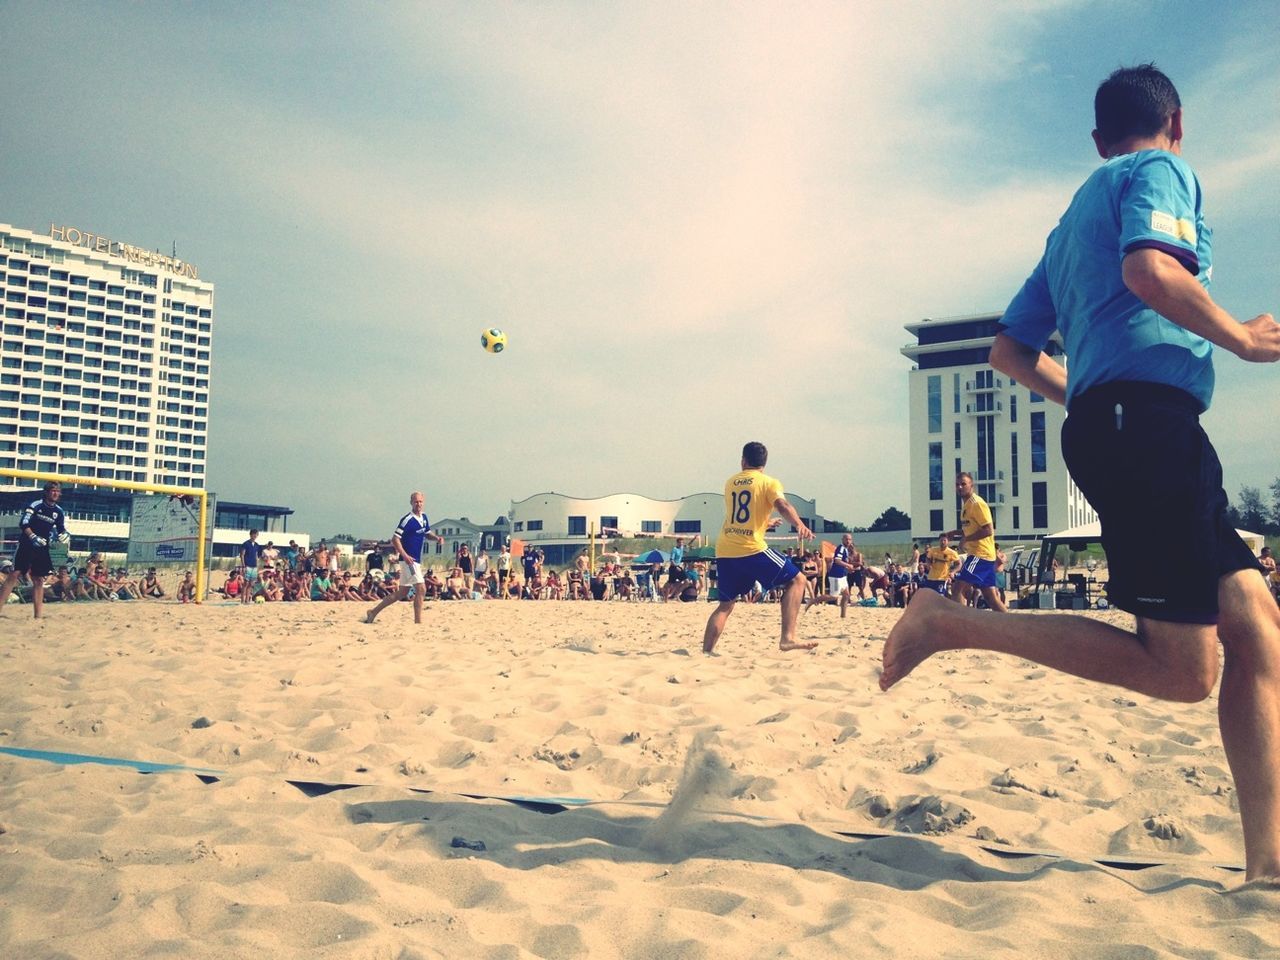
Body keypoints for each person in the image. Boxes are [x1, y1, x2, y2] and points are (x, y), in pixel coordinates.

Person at [882, 65, 1280, 881]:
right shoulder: (1157, 170)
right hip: (1147, 426)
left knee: (1257, 628)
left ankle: (1269, 863)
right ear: (1179, 122)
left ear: (1097, 139)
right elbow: (1149, 271)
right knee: (1183, 671)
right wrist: (1239, 337)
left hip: (1138, 423)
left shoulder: (1069, 226)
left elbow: (1007, 353)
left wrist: (1090, 396)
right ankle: (948, 621)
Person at [703, 442, 819, 654]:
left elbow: (740, 517)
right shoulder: (769, 482)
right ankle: (788, 638)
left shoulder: (731, 483)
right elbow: (783, 506)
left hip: (726, 550)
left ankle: (706, 652)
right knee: (798, 580)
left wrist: (765, 523)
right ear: (764, 463)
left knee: (725, 605)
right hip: (750, 548)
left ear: (743, 461)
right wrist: (800, 524)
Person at [365, 491, 445, 624]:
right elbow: (395, 539)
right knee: (421, 588)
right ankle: (418, 622)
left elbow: (427, 533)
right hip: (408, 561)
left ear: (423, 502)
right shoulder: (407, 519)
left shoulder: (424, 517)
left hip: (416, 561)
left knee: (402, 592)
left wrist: (437, 538)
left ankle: (373, 612)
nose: (418, 504)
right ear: (411, 503)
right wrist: (404, 555)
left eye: (420, 501)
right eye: (416, 502)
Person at [0, 481, 69, 619]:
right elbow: (23, 523)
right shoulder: (36, 505)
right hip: (27, 544)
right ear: (47, 492)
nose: (55, 493)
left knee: (38, 580)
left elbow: (61, 529)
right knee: (15, 574)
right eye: (53, 490)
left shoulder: (59, 511)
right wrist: (33, 536)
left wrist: (65, 535)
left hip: (42, 548)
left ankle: (38, 616)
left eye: (57, 491)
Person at [947, 472, 1008, 612]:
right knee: (990, 596)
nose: (960, 487)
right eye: (957, 485)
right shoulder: (966, 505)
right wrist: (954, 533)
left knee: (957, 589)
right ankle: (1011, 624)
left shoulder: (977, 504)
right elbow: (971, 529)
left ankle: (963, 624)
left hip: (980, 555)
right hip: (982, 555)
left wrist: (966, 539)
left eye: (963, 484)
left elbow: (988, 530)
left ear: (971, 486)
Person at [239, 529, 262, 605]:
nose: (255, 536)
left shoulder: (257, 545)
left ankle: (247, 600)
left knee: (251, 584)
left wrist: (257, 565)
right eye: (254, 534)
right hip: (247, 565)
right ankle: (242, 600)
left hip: (254, 566)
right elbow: (242, 555)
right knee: (245, 583)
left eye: (256, 534)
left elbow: (256, 556)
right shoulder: (246, 544)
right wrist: (243, 566)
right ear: (251, 534)